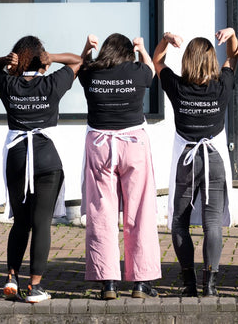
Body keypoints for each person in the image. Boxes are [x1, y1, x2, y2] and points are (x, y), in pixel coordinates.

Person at [0, 36, 83, 303]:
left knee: (21, 222)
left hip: (17, 157)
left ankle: (11, 278)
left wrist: (6, 61)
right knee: (41, 224)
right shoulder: (52, 83)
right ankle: (35, 287)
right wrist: (54, 57)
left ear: (18, 60)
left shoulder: (9, 84)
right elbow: (78, 61)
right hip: (47, 160)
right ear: (43, 61)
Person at [154, 28, 238, 297]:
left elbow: (157, 61)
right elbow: (233, 57)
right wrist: (233, 36)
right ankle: (210, 285)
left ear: (187, 60)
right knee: (212, 223)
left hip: (187, 160)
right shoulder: (222, 85)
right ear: (212, 60)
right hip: (214, 159)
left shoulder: (177, 87)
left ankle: (189, 284)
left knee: (180, 222)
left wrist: (166, 39)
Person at [79, 33, 160, 300]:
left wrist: (87, 48)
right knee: (140, 211)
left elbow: (79, 66)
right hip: (133, 143)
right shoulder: (137, 71)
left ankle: (108, 282)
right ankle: (141, 282)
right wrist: (142, 49)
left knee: (101, 212)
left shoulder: (91, 73)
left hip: (100, 144)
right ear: (128, 53)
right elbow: (151, 70)